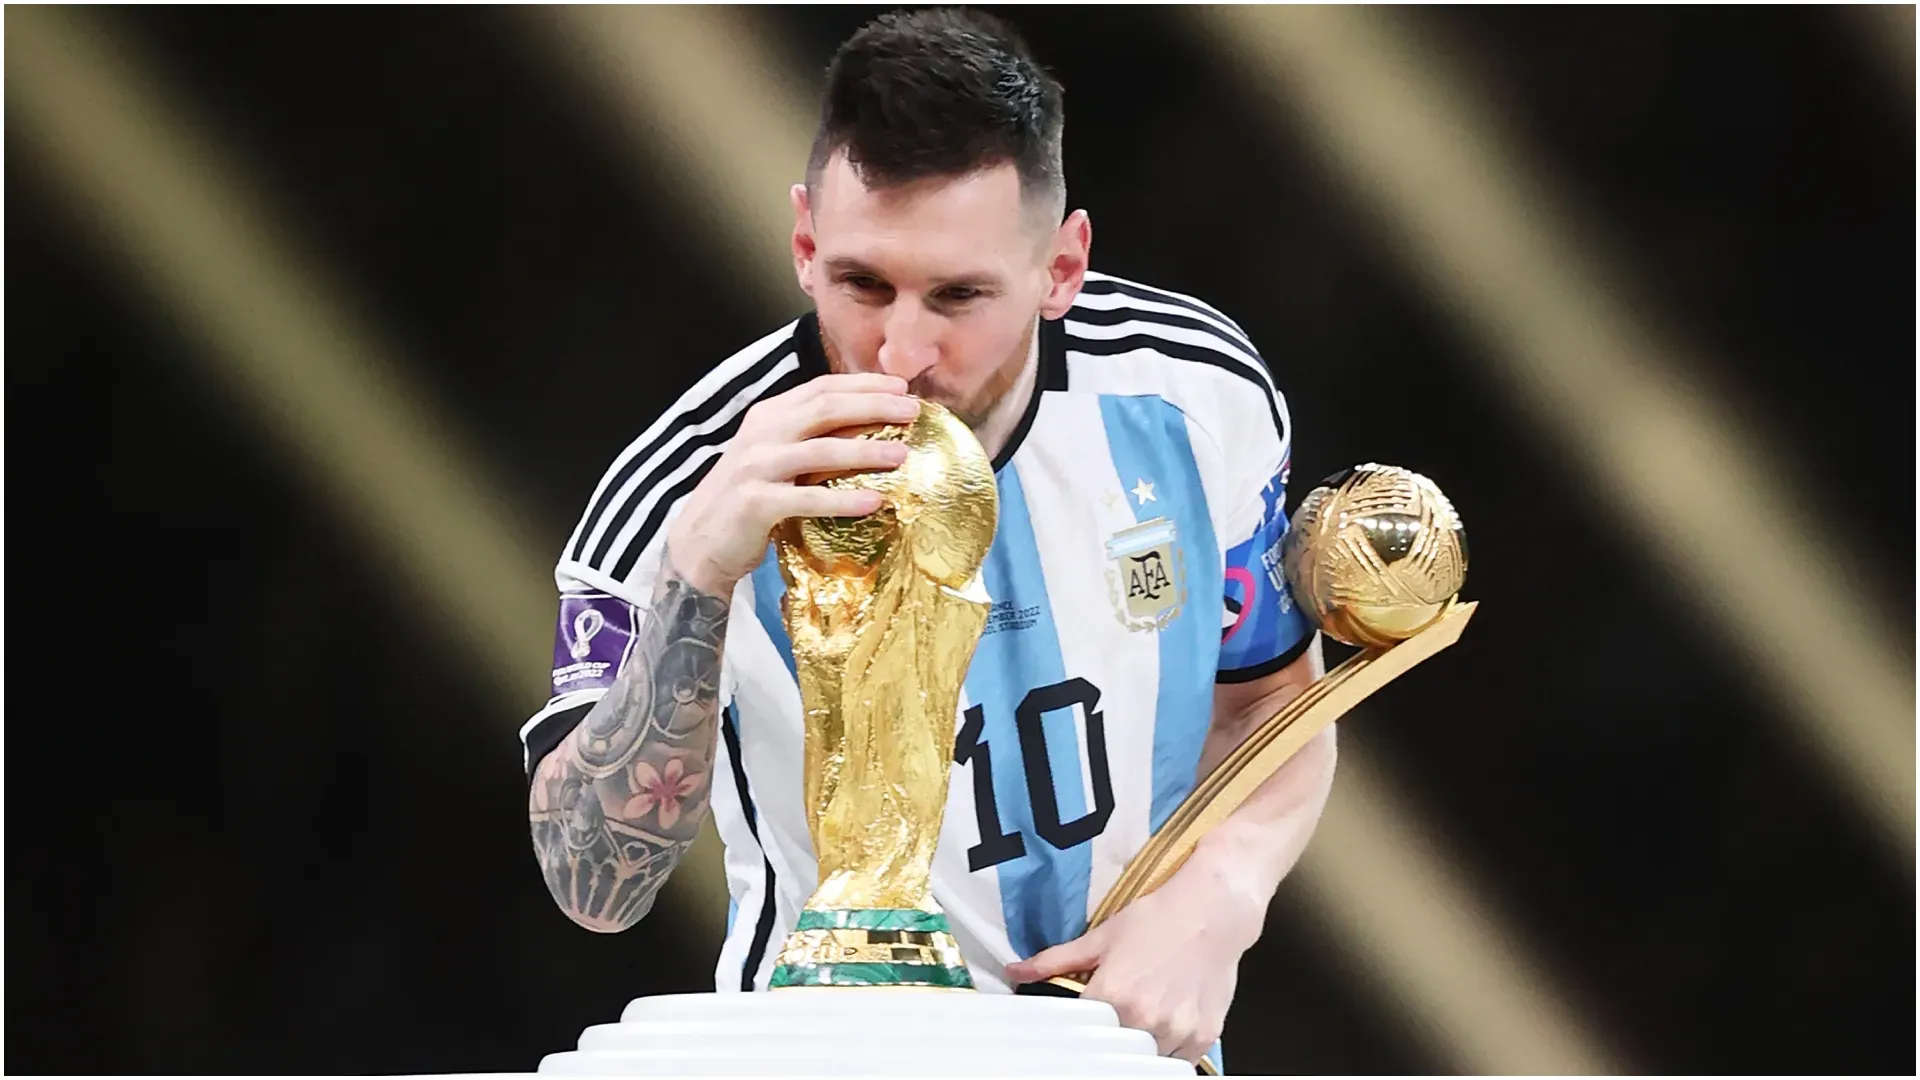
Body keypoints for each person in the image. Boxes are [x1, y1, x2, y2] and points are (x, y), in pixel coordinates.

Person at [521, 8, 1336, 1071]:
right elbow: (593, 884)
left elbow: (1272, 707)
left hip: (1124, 1055)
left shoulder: (1196, 396)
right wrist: (699, 573)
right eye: (862, 284)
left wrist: (1221, 894)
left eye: (958, 295)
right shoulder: (684, 487)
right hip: (828, 1056)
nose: (901, 350)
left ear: (1062, 266)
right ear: (805, 245)